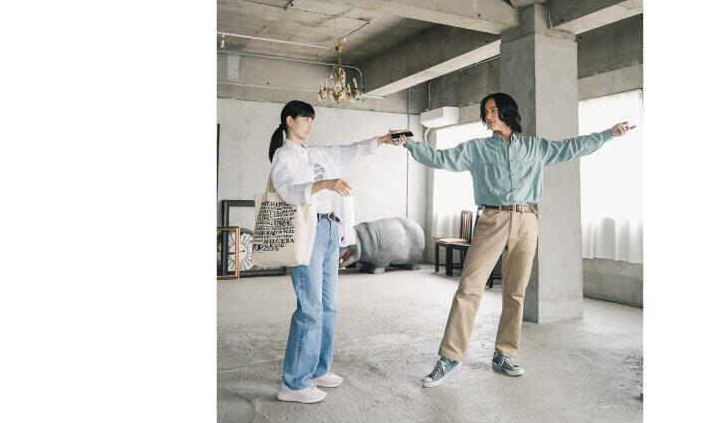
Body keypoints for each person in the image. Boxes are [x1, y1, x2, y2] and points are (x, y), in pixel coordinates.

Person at [398, 92, 635, 387]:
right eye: (485, 112)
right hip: (492, 220)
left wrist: (609, 134)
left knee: (515, 292)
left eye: (493, 110)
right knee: (469, 288)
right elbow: (441, 159)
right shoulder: (477, 149)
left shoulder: (535, 147)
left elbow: (572, 147)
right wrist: (409, 143)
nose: (488, 116)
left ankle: (504, 354)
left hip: (527, 220)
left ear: (507, 111)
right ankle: (450, 357)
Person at [267, 100, 407, 404]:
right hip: (308, 231)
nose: (310, 124)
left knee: (329, 307)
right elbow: (288, 190)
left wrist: (383, 140)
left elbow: (351, 149)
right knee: (310, 307)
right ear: (289, 120)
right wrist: (324, 183)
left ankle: (318, 370)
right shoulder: (283, 156)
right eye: (305, 119)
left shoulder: (318, 154)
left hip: (330, 229)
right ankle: (293, 383)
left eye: (311, 120)